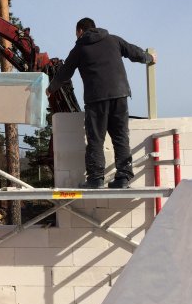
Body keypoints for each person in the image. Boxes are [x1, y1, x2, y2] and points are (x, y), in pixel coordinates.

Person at [46, 18, 156, 189]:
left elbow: (65, 72)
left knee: (96, 139)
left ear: (80, 30)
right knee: (120, 137)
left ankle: (96, 179)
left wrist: (50, 89)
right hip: (120, 95)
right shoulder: (114, 40)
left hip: (96, 99)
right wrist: (149, 58)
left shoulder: (80, 48)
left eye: (76, 33)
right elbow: (135, 53)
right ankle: (123, 178)